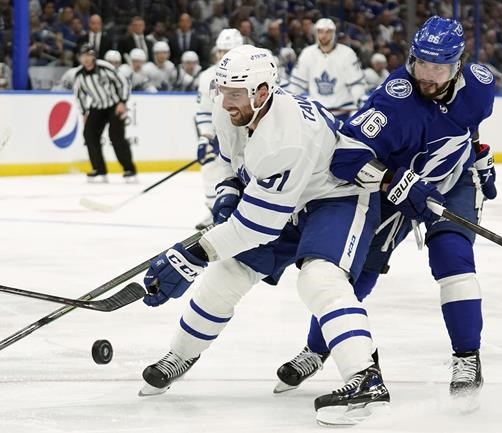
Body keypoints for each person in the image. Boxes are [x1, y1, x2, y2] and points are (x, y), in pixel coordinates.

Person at [138, 45, 389, 426]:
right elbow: (230, 161)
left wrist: (191, 255)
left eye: (235, 94)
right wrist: (228, 192)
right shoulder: (236, 108)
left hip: (336, 197)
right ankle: (181, 354)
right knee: (228, 275)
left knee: (319, 278)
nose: (225, 102)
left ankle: (365, 378)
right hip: (288, 198)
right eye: (222, 91)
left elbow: (257, 227)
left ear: (261, 92)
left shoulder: (284, 139)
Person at [274, 16, 497, 409]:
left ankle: (467, 358)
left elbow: (470, 127)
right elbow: (346, 157)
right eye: (420, 65)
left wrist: (480, 158)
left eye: (438, 68)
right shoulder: (393, 99)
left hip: (452, 183)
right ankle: (317, 348)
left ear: (458, 65)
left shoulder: (480, 85)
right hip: (398, 192)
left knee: (453, 259)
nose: (426, 77)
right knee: (357, 273)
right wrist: (393, 180)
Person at [193, 28, 243, 230]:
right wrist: (206, 137)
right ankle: (215, 209)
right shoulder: (207, 77)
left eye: (229, 51)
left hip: (248, 135)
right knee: (210, 168)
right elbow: (204, 111)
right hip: (221, 136)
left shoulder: (253, 72)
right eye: (222, 51)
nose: (224, 56)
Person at [73, 43, 136, 182]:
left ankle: (129, 169)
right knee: (89, 134)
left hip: (114, 105)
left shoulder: (104, 67)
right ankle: (99, 169)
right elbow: (79, 94)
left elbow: (123, 82)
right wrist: (84, 112)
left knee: (116, 136)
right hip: (97, 107)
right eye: (83, 56)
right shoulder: (79, 75)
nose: (86, 59)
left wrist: (122, 102)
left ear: (94, 56)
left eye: (89, 55)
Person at [287, 18, 366, 122]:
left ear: (334, 33)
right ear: (315, 33)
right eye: (320, 31)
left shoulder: (347, 53)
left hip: (343, 112)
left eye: (328, 32)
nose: (324, 35)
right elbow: (296, 84)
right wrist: (288, 105)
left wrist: (358, 108)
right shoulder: (307, 53)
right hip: (317, 114)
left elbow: (357, 84)